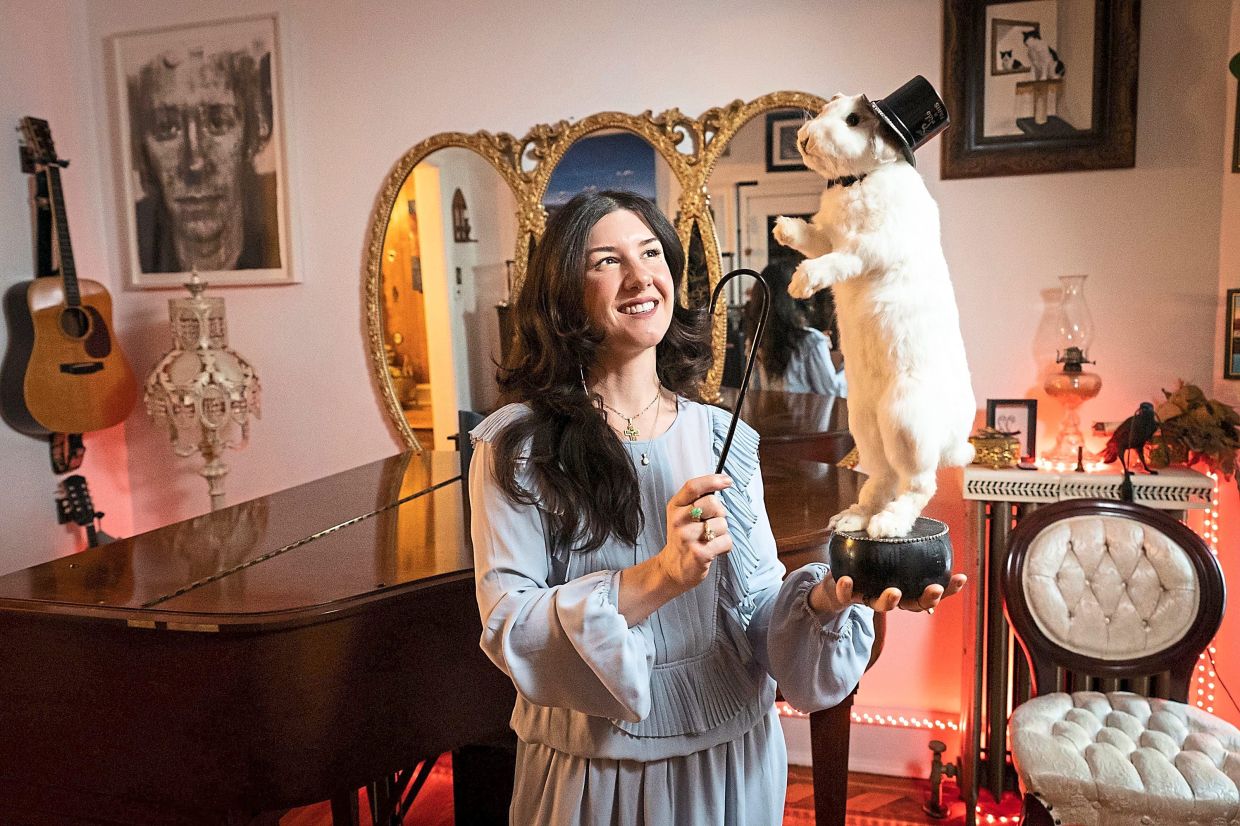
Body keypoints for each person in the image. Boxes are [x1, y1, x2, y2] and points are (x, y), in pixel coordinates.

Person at [469, 190, 966, 825]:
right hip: (598, 777)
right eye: (606, 261)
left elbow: (758, 612)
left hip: (732, 762)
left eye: (651, 253)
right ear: (563, 293)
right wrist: (660, 576)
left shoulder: (717, 434)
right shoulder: (518, 446)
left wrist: (829, 600)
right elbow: (509, 625)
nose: (641, 276)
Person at [128, 44, 281, 273]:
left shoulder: (275, 218)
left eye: (218, 122)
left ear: (257, 130)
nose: (195, 163)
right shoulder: (137, 233)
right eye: (166, 127)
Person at [746, 258, 847, 397]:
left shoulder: (756, 341)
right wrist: (848, 363)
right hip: (804, 419)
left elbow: (753, 389)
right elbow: (833, 391)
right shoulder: (812, 341)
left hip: (766, 417)